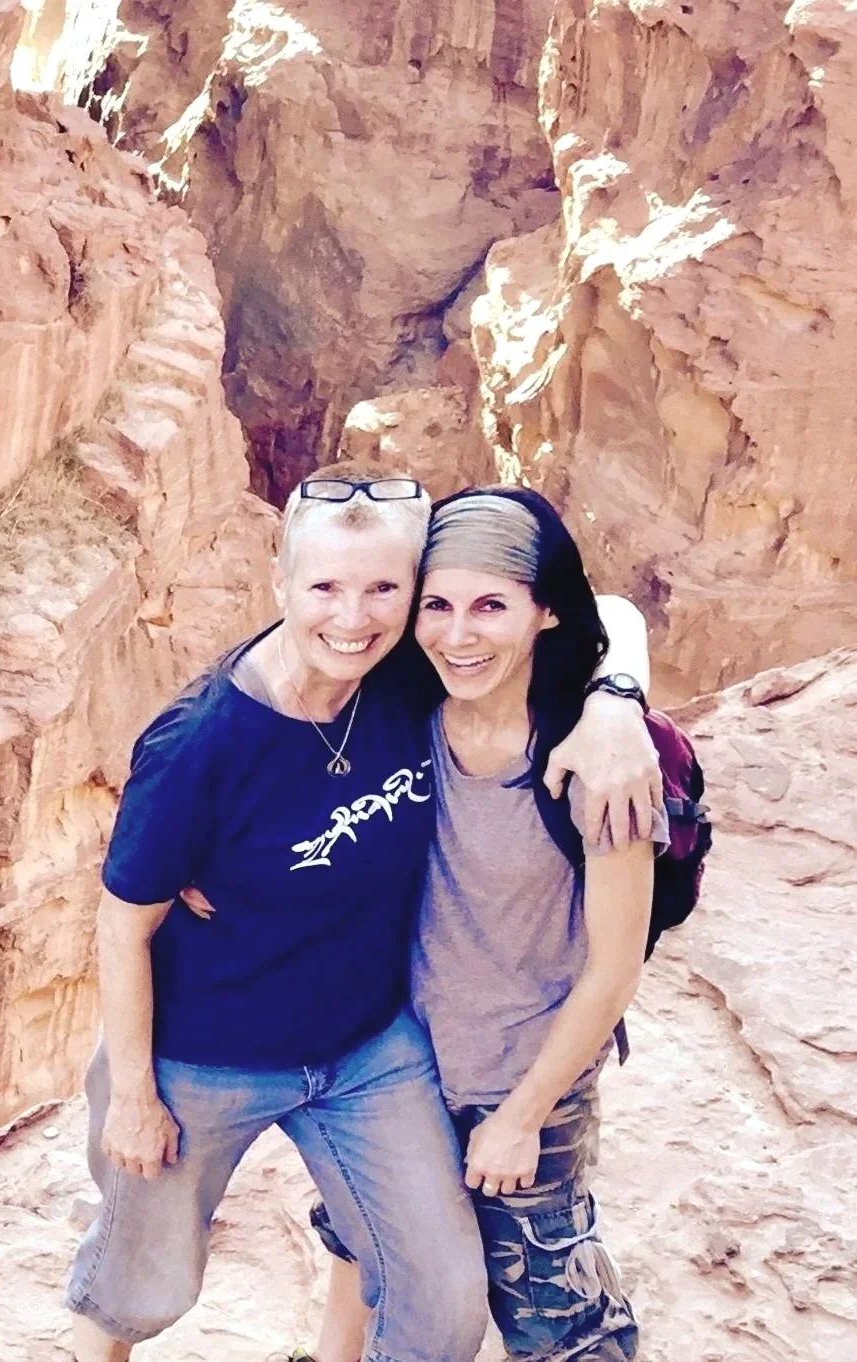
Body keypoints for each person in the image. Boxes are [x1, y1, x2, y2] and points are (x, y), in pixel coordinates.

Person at [66, 464, 659, 1362]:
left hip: (366, 1055)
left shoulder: (408, 674)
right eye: (326, 589)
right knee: (138, 1287)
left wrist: (617, 704)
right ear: (279, 584)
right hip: (205, 1056)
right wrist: (136, 1098)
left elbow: (594, 607)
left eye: (385, 589)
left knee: (443, 1300)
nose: (354, 617)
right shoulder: (199, 743)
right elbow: (122, 925)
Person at [305, 487, 664, 1362]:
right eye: (437, 605)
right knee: (366, 1245)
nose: (457, 635)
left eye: (490, 607)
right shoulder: (400, 717)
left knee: (556, 1318)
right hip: (397, 1068)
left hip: (520, 1081)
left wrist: (521, 1117)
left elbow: (613, 971)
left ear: (545, 611)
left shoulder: (595, 763)